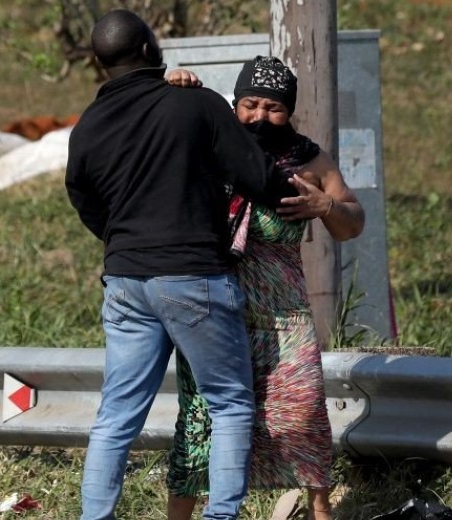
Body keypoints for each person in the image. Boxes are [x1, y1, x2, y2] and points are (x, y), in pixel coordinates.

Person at [65, 10, 300, 520]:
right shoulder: (195, 104)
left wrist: (122, 238)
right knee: (231, 404)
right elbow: (258, 177)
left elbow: (81, 197)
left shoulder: (87, 126)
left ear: (99, 63)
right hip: (193, 278)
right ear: (151, 48)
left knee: (116, 416)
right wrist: (301, 191)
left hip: (125, 281)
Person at [164, 57, 365, 520]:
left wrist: (326, 204)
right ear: (234, 105)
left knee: (302, 417)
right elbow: (166, 125)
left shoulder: (310, 162)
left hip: (285, 316)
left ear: (289, 110)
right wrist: (177, 85)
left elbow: (353, 224)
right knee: (200, 424)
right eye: (249, 104)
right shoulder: (212, 145)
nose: (258, 116)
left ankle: (320, 511)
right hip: (213, 312)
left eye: (272, 107)